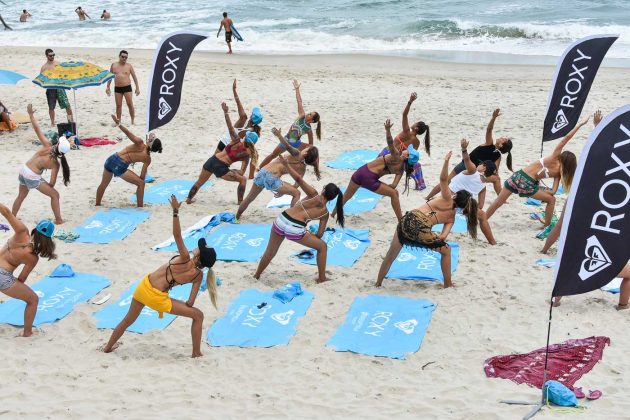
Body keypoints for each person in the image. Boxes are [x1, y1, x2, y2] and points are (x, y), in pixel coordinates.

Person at [102, 196, 218, 358]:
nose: (197, 248)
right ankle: (196, 352)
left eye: (199, 249)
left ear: (198, 258)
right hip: (158, 299)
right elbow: (190, 303)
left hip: (144, 287)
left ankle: (107, 347)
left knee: (128, 320)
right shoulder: (198, 276)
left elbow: (177, 235)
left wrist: (175, 212)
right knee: (198, 315)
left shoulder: (185, 258)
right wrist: (179, 302)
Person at [376, 151, 479, 288]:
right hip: (420, 225)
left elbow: (443, 179)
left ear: (456, 196)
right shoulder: (451, 219)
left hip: (407, 219)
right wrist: (430, 238)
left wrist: (446, 161)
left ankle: (378, 283)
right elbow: (442, 236)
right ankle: (448, 284)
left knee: (391, 255)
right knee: (446, 251)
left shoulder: (447, 198)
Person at [485, 116, 589, 227]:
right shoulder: (559, 174)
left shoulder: (554, 157)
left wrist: (580, 124)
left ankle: (483, 219)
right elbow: (553, 191)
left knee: (498, 201)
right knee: (551, 200)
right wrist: (542, 190)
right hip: (528, 183)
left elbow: (566, 138)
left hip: (518, 176)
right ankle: (547, 225)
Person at [254, 157, 344, 284]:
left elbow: (298, 179)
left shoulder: (313, 193)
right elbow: (319, 235)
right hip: (295, 229)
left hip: (282, 219)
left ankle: (257, 275)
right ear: (333, 198)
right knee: (322, 247)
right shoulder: (325, 213)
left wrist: (287, 165)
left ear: (323, 189)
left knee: (270, 251)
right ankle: (321, 278)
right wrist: (309, 234)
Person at [336, 119, 417, 221]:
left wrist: (387, 130)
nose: (406, 149)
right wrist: (384, 188)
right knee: (394, 193)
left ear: (407, 156)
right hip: (370, 178)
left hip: (360, 172)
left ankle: (333, 214)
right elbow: (393, 186)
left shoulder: (396, 155)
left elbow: (390, 142)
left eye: (407, 151)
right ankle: (400, 220)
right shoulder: (400, 170)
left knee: (346, 196)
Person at [426, 108, 513, 200]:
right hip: (474, 172)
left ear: (501, 145)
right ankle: (501, 199)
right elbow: (494, 171)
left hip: (468, 168)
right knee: (496, 179)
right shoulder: (495, 153)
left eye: (504, 139)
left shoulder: (490, 145)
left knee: (446, 182)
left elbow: (489, 130)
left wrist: (493, 118)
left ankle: (428, 197)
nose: (502, 137)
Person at [236, 127, 321, 220]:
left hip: (262, 172)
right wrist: (282, 192)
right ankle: (292, 218)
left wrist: (279, 135)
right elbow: (296, 185)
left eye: (306, 149)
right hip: (272, 178)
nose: (304, 148)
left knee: (249, 198)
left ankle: (237, 217)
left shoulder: (297, 153)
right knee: (296, 193)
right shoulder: (302, 170)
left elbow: (287, 145)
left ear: (305, 154)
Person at [0, 204, 57, 337]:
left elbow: (6, 212)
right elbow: (22, 278)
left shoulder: (21, 232)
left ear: (34, 230)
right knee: (33, 300)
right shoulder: (32, 257)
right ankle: (27, 332)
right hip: (3, 276)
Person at [187, 102, 259, 204]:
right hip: (221, 168)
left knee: (199, 183)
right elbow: (242, 172)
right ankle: (240, 202)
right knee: (243, 180)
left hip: (212, 160)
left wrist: (226, 113)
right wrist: (234, 171)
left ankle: (188, 200)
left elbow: (230, 127)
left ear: (246, 137)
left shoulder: (236, 140)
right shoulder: (247, 155)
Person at [12, 105, 72, 224]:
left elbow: (37, 129)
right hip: (31, 176)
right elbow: (52, 183)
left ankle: (12, 216)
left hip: (23, 170)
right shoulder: (55, 164)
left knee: (21, 196)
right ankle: (59, 220)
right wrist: (43, 184)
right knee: (55, 195)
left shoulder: (47, 145)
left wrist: (31, 115)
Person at [96, 115, 163, 207]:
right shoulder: (147, 158)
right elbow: (142, 177)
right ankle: (140, 207)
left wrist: (119, 124)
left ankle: (97, 204)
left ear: (150, 143)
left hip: (111, 158)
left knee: (103, 184)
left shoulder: (139, 142)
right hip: (120, 165)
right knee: (141, 184)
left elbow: (127, 132)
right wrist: (139, 186)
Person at [258, 80, 321, 169]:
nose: (308, 114)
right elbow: (299, 101)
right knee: (273, 155)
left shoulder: (309, 130)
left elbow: (311, 144)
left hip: (296, 144)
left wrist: (307, 151)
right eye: (310, 112)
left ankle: (316, 167)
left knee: (314, 149)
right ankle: (260, 167)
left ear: (312, 121)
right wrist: (297, 89)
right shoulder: (302, 116)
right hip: (286, 141)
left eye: (310, 115)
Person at [214, 79, 263, 178]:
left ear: (251, 115)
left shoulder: (243, 118)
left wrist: (234, 90)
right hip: (234, 148)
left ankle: (237, 172)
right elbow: (248, 145)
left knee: (213, 163)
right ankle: (250, 176)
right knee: (254, 154)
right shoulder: (255, 132)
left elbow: (238, 103)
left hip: (224, 143)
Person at [41, 49, 73, 127]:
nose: (52, 57)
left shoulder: (58, 63)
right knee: (51, 107)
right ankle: (52, 123)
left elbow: (65, 74)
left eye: (53, 55)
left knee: (67, 105)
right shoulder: (44, 67)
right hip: (50, 88)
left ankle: (71, 121)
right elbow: (42, 79)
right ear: (46, 56)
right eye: (50, 55)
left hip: (59, 86)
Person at [105, 50, 140, 125]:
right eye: (123, 57)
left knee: (130, 104)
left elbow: (134, 77)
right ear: (119, 56)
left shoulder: (129, 66)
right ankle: (119, 121)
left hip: (127, 87)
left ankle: (132, 121)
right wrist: (108, 87)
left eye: (126, 57)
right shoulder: (114, 65)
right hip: (117, 88)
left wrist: (137, 88)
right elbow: (110, 77)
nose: (124, 58)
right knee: (118, 105)